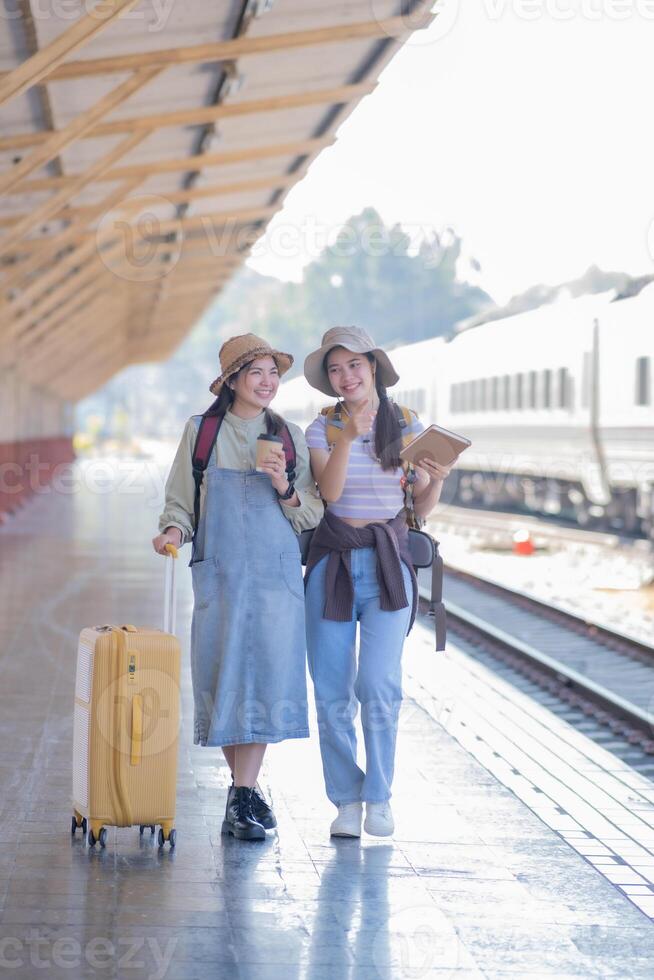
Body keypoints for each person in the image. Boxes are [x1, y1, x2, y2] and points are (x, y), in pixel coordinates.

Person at [153, 334, 323, 841]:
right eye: (257, 373)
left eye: (274, 373)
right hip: (222, 574)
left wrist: (283, 486)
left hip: (275, 579)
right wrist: (172, 532)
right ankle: (243, 792)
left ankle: (242, 794)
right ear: (232, 380)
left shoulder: (288, 436)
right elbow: (180, 500)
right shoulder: (201, 433)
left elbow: (312, 512)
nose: (268, 382)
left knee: (265, 680)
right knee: (226, 678)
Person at [303, 326, 456, 838]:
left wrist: (434, 479)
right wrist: (347, 438)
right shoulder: (321, 428)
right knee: (331, 690)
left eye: (354, 366)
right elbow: (329, 491)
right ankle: (346, 799)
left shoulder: (406, 424)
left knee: (379, 685)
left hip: (390, 565)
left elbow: (418, 511)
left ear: (373, 368)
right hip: (333, 566)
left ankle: (380, 796)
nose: (345, 377)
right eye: (335, 369)